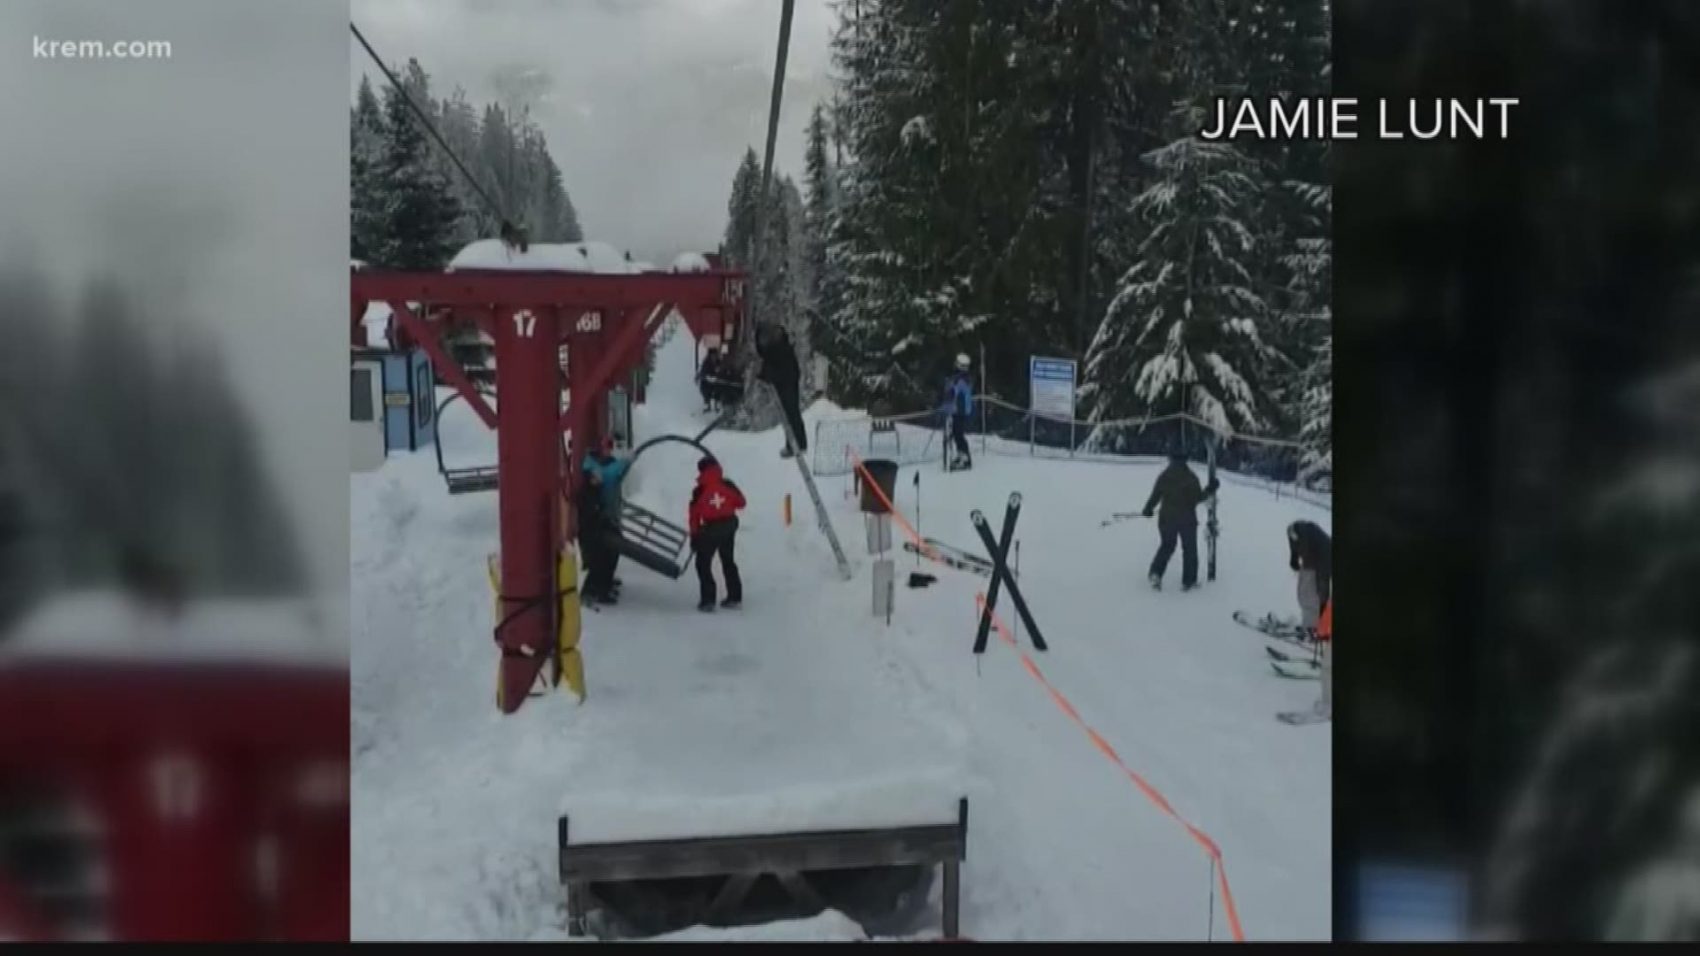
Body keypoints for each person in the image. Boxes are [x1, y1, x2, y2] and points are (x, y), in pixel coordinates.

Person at [1141, 446, 1220, 590]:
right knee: (1189, 550)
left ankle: (1155, 573)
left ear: (1171, 458)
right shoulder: (1191, 477)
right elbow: (1197, 498)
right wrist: (1210, 489)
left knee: (1167, 546)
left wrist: (1148, 509)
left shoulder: (1164, 476)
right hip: (1187, 520)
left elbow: (1155, 495)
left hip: (1166, 518)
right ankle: (1189, 581)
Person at [687, 455, 746, 612]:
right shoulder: (727, 484)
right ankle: (734, 597)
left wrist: (694, 536)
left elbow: (694, 516)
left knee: (703, 563)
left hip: (711, 529)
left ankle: (708, 600)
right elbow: (741, 503)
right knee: (728, 560)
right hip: (729, 525)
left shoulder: (699, 491)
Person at [579, 436, 630, 604]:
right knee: (601, 558)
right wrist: (624, 463)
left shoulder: (597, 476)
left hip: (604, 521)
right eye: (606, 446)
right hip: (597, 526)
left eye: (610, 446)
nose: (609, 449)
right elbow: (608, 475)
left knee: (609, 555)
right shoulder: (592, 473)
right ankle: (596, 590)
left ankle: (603, 586)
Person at [755, 323, 807, 458]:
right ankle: (794, 444)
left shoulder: (783, 350)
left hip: (787, 386)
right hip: (784, 385)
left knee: (791, 415)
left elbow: (785, 370)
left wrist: (771, 377)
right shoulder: (774, 349)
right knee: (789, 416)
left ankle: (797, 445)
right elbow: (764, 355)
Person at [1287, 520, 1332, 636]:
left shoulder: (1308, 538)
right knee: (1313, 596)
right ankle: (1317, 626)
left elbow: (1322, 572)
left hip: (1321, 563)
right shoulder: (1300, 531)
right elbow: (1293, 538)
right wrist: (1294, 557)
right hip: (1318, 560)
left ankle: (1313, 628)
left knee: (1309, 596)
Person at [941, 354, 974, 471]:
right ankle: (962, 455)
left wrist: (945, 407)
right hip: (960, 410)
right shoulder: (963, 378)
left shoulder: (960, 379)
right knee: (957, 434)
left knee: (958, 434)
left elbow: (952, 394)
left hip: (959, 411)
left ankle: (965, 458)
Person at [697, 347, 723, 412]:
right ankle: (707, 404)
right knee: (704, 389)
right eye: (712, 355)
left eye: (715, 355)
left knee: (720, 388)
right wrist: (707, 377)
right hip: (707, 382)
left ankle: (717, 405)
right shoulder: (706, 362)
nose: (714, 357)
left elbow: (722, 371)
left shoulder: (719, 362)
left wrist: (718, 376)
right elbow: (703, 372)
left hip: (717, 382)